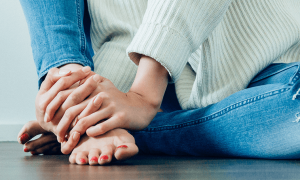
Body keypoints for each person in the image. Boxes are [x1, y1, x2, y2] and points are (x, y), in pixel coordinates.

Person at [18, 0, 300, 165]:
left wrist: (142, 96)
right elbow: (122, 26)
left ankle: (114, 127)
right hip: (138, 79)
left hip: (265, 63)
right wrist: (76, 95)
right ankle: (70, 99)